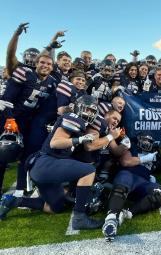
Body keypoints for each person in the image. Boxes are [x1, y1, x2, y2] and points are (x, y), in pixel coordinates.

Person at [0, 95, 104, 230]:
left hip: (40, 167)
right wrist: (80, 139)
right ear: (79, 107)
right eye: (88, 109)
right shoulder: (74, 118)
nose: (89, 113)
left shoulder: (76, 121)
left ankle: (14, 201)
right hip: (46, 163)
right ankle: (80, 218)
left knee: (55, 207)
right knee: (88, 171)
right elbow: (55, 143)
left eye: (92, 111)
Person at [1, 54, 57, 196]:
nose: (45, 65)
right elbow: (7, 98)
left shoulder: (52, 82)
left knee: (25, 155)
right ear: (36, 64)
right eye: (42, 62)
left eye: (49, 64)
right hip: (9, 118)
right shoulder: (25, 73)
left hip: (27, 121)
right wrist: (9, 118)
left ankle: (21, 188)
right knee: (3, 154)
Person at [102, 133, 161, 241]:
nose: (146, 143)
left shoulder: (155, 154)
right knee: (123, 181)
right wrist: (145, 159)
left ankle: (127, 213)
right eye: (144, 140)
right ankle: (112, 218)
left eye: (149, 141)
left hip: (143, 183)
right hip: (128, 175)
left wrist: (152, 175)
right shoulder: (131, 146)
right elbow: (126, 162)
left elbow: (158, 167)